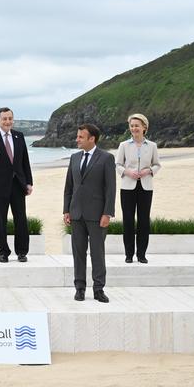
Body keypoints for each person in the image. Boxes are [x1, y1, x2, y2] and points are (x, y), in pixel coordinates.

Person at [63, 124, 116, 303]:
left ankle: (99, 289)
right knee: (78, 253)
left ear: (92, 138)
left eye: (80, 137)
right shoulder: (74, 158)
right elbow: (69, 187)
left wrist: (107, 213)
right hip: (76, 213)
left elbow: (110, 189)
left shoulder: (106, 158)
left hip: (97, 215)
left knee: (97, 253)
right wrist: (66, 210)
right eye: (77, 136)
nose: (77, 139)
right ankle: (79, 288)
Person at [0, 107, 33, 263]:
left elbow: (25, 161)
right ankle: (4, 252)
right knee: (1, 221)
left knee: (21, 220)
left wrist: (29, 182)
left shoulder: (19, 136)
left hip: (18, 185)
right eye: (4, 118)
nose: (7, 121)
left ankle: (22, 252)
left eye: (10, 118)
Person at [115, 113, 161, 264]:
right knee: (128, 221)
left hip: (146, 187)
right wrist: (128, 172)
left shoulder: (152, 146)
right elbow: (117, 165)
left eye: (137, 125)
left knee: (143, 221)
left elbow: (157, 164)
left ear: (144, 128)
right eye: (132, 125)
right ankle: (129, 255)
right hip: (127, 187)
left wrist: (149, 171)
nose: (134, 128)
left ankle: (141, 254)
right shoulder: (124, 145)